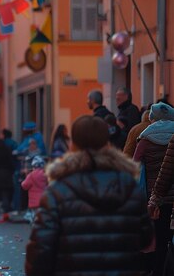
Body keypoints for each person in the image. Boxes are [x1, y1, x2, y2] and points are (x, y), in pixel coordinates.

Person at [26, 115, 153, 275]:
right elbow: (145, 237)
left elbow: (41, 249)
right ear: (107, 143)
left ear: (73, 144)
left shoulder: (58, 190)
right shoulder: (128, 185)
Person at [135, 102, 174, 274]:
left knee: (158, 235)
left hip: (156, 194)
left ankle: (158, 269)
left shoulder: (145, 139)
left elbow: (134, 165)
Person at [20, 156, 47, 224]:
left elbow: (24, 186)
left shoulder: (31, 175)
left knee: (35, 217)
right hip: (45, 200)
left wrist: (26, 176)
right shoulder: (46, 174)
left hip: (34, 202)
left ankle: (37, 229)